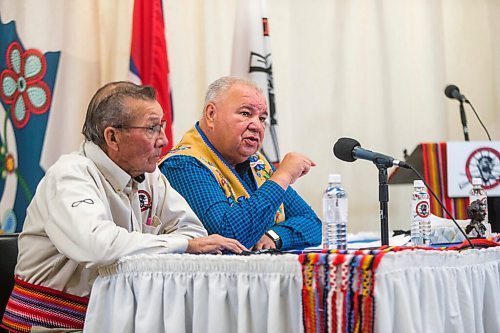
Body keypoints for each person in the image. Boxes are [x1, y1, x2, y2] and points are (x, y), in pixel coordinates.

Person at [0, 81, 246, 332]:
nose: (163, 140)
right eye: (152, 128)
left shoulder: (151, 175)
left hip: (115, 321)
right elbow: (99, 246)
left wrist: (183, 242)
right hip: (53, 327)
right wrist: (181, 245)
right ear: (112, 137)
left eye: (161, 126)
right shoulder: (69, 175)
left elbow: (194, 233)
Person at [159, 76, 321, 251]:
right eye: (245, 113)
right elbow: (228, 237)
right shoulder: (183, 164)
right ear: (211, 114)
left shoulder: (256, 163)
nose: (257, 126)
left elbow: (311, 223)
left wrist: (274, 236)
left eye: (262, 118)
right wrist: (283, 176)